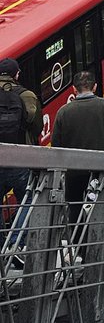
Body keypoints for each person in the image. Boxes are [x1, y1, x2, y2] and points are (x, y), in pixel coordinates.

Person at [51, 71, 104, 225]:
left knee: (75, 207)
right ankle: (97, 241)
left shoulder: (64, 111)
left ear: (73, 89)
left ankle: (77, 243)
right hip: (101, 168)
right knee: (100, 205)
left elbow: (56, 144)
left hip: (74, 170)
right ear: (95, 87)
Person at [0, 58, 43, 231]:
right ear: (16, 74)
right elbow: (36, 126)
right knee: (27, 199)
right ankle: (16, 241)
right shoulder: (26, 95)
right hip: (20, 158)